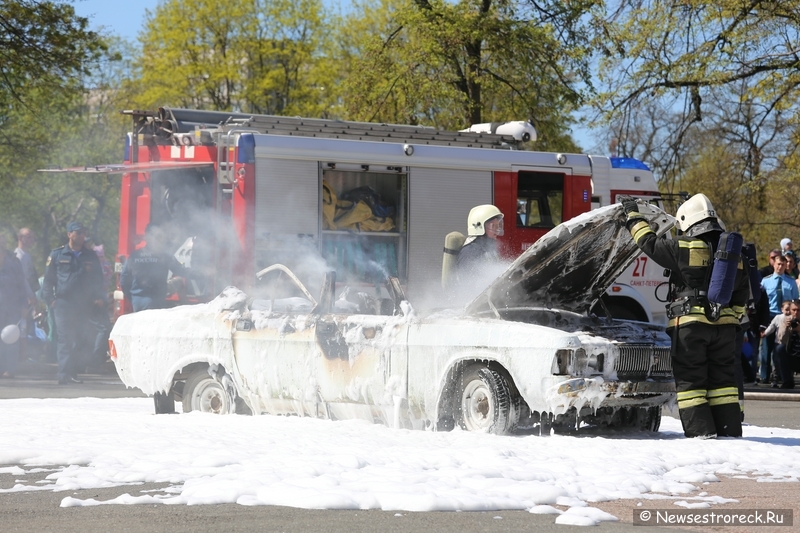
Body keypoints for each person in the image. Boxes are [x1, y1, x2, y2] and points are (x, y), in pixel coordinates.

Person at [622, 193, 747, 438]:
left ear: (687, 221)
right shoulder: (735, 256)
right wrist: (730, 319)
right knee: (724, 385)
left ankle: (701, 436)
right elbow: (743, 293)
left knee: (692, 384)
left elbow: (648, 243)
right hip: (726, 330)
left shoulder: (683, 247)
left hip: (690, 327)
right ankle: (729, 434)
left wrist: (632, 215)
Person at [41, 221, 110, 385]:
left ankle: (73, 372)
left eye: (83, 232)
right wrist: (51, 300)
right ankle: (64, 374)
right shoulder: (57, 254)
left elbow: (97, 279)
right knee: (65, 338)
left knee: (80, 338)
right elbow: (48, 280)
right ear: (69, 234)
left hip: (84, 303)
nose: (81, 235)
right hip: (63, 303)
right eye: (78, 232)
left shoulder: (90, 256)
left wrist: (99, 297)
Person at [120, 225, 188, 312]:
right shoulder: (163, 255)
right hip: (155, 302)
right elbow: (179, 270)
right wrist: (197, 274)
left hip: (137, 302)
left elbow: (124, 279)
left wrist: (132, 297)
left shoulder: (134, 255)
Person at [759, 254, 798, 385]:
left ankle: (780, 375)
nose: (780, 267)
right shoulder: (765, 281)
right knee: (766, 347)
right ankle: (764, 376)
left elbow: (795, 303)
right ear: (774, 265)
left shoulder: (791, 282)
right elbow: (761, 302)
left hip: (784, 319)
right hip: (769, 316)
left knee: (781, 347)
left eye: (783, 264)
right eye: (778, 264)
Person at [0, 232, 28, 379]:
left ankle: (9, 368)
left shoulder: (14, 263)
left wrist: (24, 305)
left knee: (10, 338)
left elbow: (21, 285)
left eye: (3, 242)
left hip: (12, 308)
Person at [456, 204, 504, 282]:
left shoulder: (488, 248)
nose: (496, 231)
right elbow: (467, 282)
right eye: (493, 226)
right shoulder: (470, 251)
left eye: (498, 226)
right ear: (479, 226)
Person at [773, 299, 800, 389]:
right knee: (780, 348)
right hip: (794, 357)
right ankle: (787, 381)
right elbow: (782, 340)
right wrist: (785, 328)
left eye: (798, 310)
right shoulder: (788, 321)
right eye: (794, 310)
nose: (796, 313)